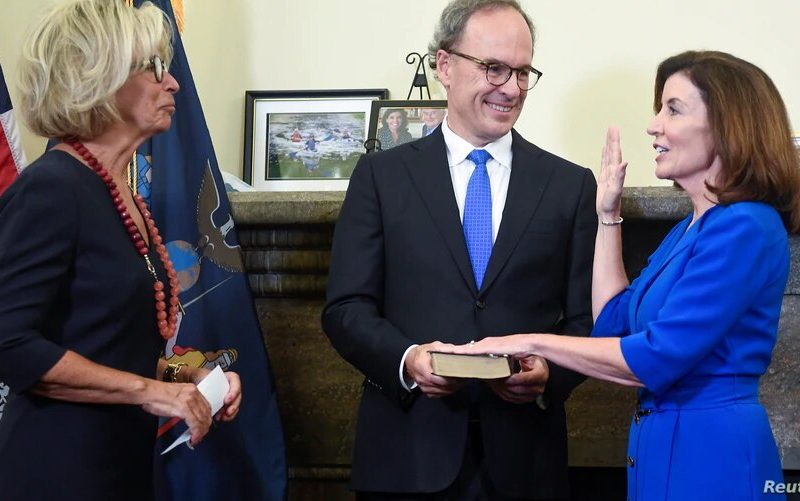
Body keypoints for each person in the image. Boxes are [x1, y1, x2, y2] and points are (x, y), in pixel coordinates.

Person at [451, 50, 800, 500]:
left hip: (714, 458)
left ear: (728, 125)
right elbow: (612, 322)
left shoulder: (746, 226)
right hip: (661, 451)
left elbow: (655, 358)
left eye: (673, 109)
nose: (654, 125)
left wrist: (529, 341)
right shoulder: (688, 229)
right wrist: (608, 214)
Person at [322, 0, 596, 498]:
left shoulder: (569, 186)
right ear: (444, 66)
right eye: (494, 68)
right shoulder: (381, 177)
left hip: (526, 463)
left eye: (522, 72)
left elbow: (584, 321)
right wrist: (408, 360)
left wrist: (548, 375)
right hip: (406, 456)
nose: (510, 88)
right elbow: (346, 308)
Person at [0, 1, 242, 499]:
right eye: (153, 68)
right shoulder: (53, 189)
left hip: (122, 466)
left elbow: (107, 346)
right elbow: (10, 345)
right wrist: (154, 393)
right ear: (98, 79)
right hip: (58, 471)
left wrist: (190, 377)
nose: (172, 82)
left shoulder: (122, 194)